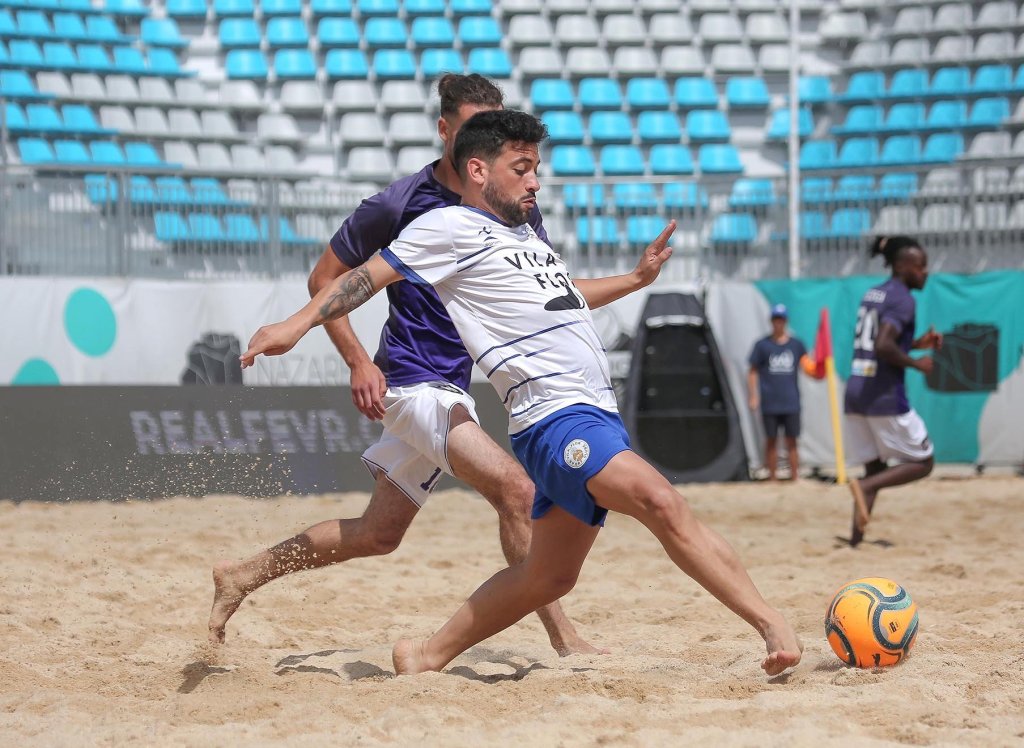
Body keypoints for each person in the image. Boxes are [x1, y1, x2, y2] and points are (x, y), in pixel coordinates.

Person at [239, 109, 804, 677]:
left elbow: (564, 296)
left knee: (546, 576)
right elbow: (364, 277)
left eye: (537, 169)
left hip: (593, 411)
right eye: (522, 168)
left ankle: (425, 655)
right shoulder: (446, 226)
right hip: (553, 416)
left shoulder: (525, 235)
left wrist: (635, 280)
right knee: (662, 502)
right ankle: (769, 622)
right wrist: (296, 324)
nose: (534, 181)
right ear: (478, 170)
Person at [210, 74, 626, 655]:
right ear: (444, 129)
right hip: (412, 382)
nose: (487, 138)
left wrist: (633, 280)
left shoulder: (512, 206)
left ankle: (241, 575)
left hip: (453, 386)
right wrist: (357, 360)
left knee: (378, 534)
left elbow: (547, 290)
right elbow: (326, 279)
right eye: (475, 126)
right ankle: (564, 638)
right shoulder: (400, 203)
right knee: (516, 490)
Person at [845, 235, 942, 547]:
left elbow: (881, 342)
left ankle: (855, 540)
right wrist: (917, 363)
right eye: (921, 266)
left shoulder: (874, 293)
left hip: (856, 391)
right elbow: (884, 345)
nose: (925, 272)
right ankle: (865, 487)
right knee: (924, 461)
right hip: (884, 395)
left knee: (875, 468)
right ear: (902, 266)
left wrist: (915, 343)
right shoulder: (903, 299)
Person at [747, 304, 810, 481]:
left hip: (791, 401)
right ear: (771, 321)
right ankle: (772, 478)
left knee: (792, 440)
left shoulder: (796, 344)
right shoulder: (762, 345)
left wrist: (820, 368)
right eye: (776, 319)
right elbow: (752, 371)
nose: (778, 323)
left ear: (786, 321)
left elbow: (808, 365)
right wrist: (753, 396)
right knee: (771, 440)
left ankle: (795, 477)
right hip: (770, 401)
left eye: (781, 319)